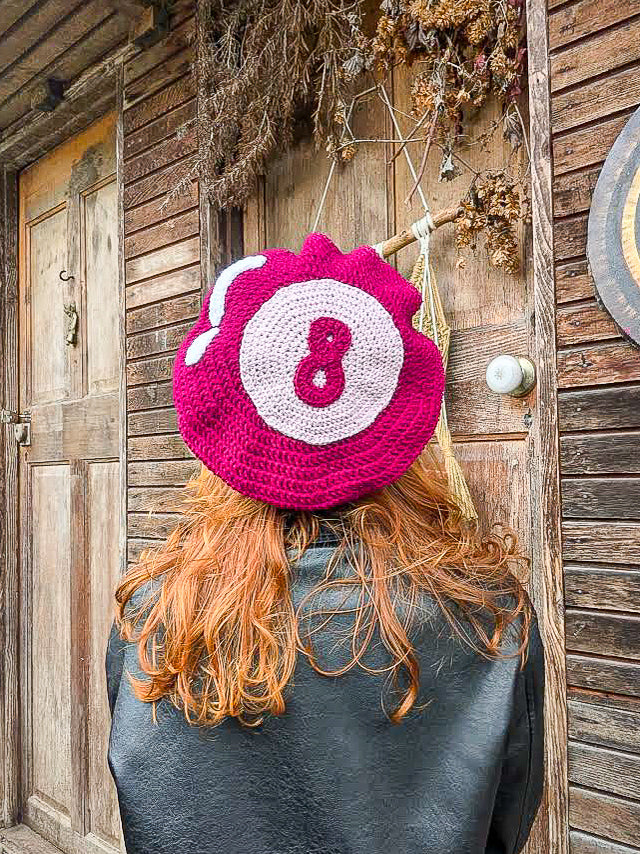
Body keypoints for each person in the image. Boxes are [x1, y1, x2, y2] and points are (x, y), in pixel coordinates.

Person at [106, 233, 545, 854]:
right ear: (400, 436)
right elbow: (505, 816)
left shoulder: (153, 611)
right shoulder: (488, 617)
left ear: (226, 442)